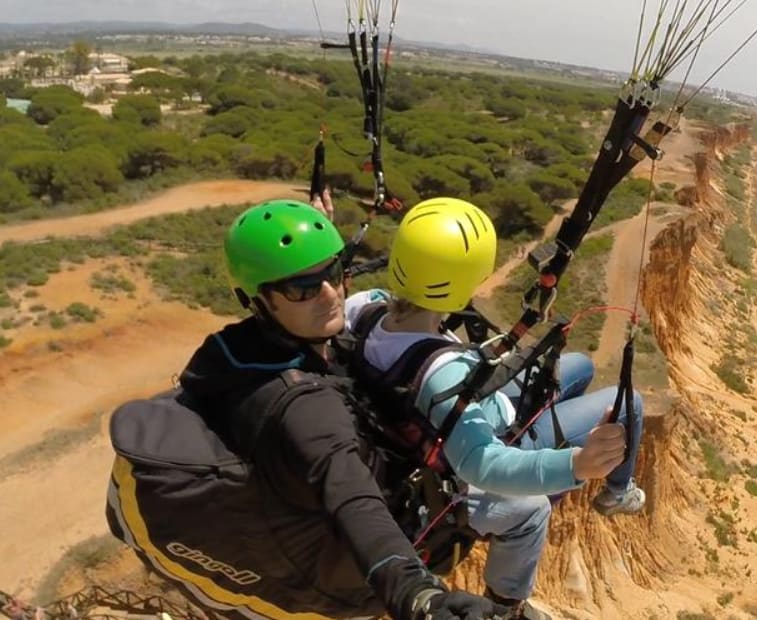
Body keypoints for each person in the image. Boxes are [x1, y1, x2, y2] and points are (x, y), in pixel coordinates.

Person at [152, 198, 509, 620]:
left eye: (334, 272)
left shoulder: (231, 350)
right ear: (259, 300)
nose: (330, 295)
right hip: (340, 574)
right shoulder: (305, 410)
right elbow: (355, 501)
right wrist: (419, 598)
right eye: (301, 287)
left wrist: (306, 240)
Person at [345, 198, 646, 619]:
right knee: (628, 403)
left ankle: (614, 489)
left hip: (427, 412)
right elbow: (483, 465)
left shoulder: (363, 307)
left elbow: (426, 353)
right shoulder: (444, 374)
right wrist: (577, 464)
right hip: (472, 443)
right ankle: (508, 605)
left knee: (579, 367)